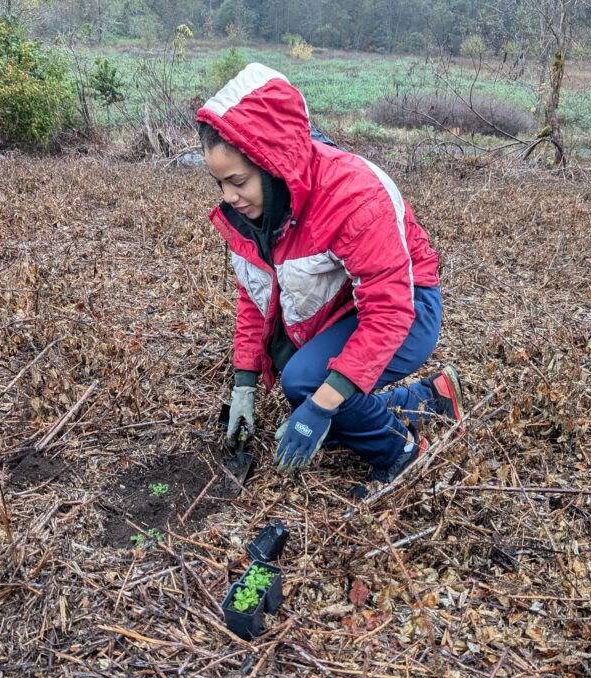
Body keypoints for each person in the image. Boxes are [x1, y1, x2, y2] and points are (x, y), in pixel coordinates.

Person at [196, 63, 463, 496]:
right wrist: (244, 383)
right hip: (346, 305)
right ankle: (427, 400)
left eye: (238, 181)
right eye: (220, 183)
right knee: (303, 385)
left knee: (306, 384)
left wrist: (320, 405)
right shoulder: (258, 214)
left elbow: (389, 311)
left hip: (407, 309)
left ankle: (399, 451)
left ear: (273, 163)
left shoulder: (354, 195)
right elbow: (255, 298)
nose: (229, 197)